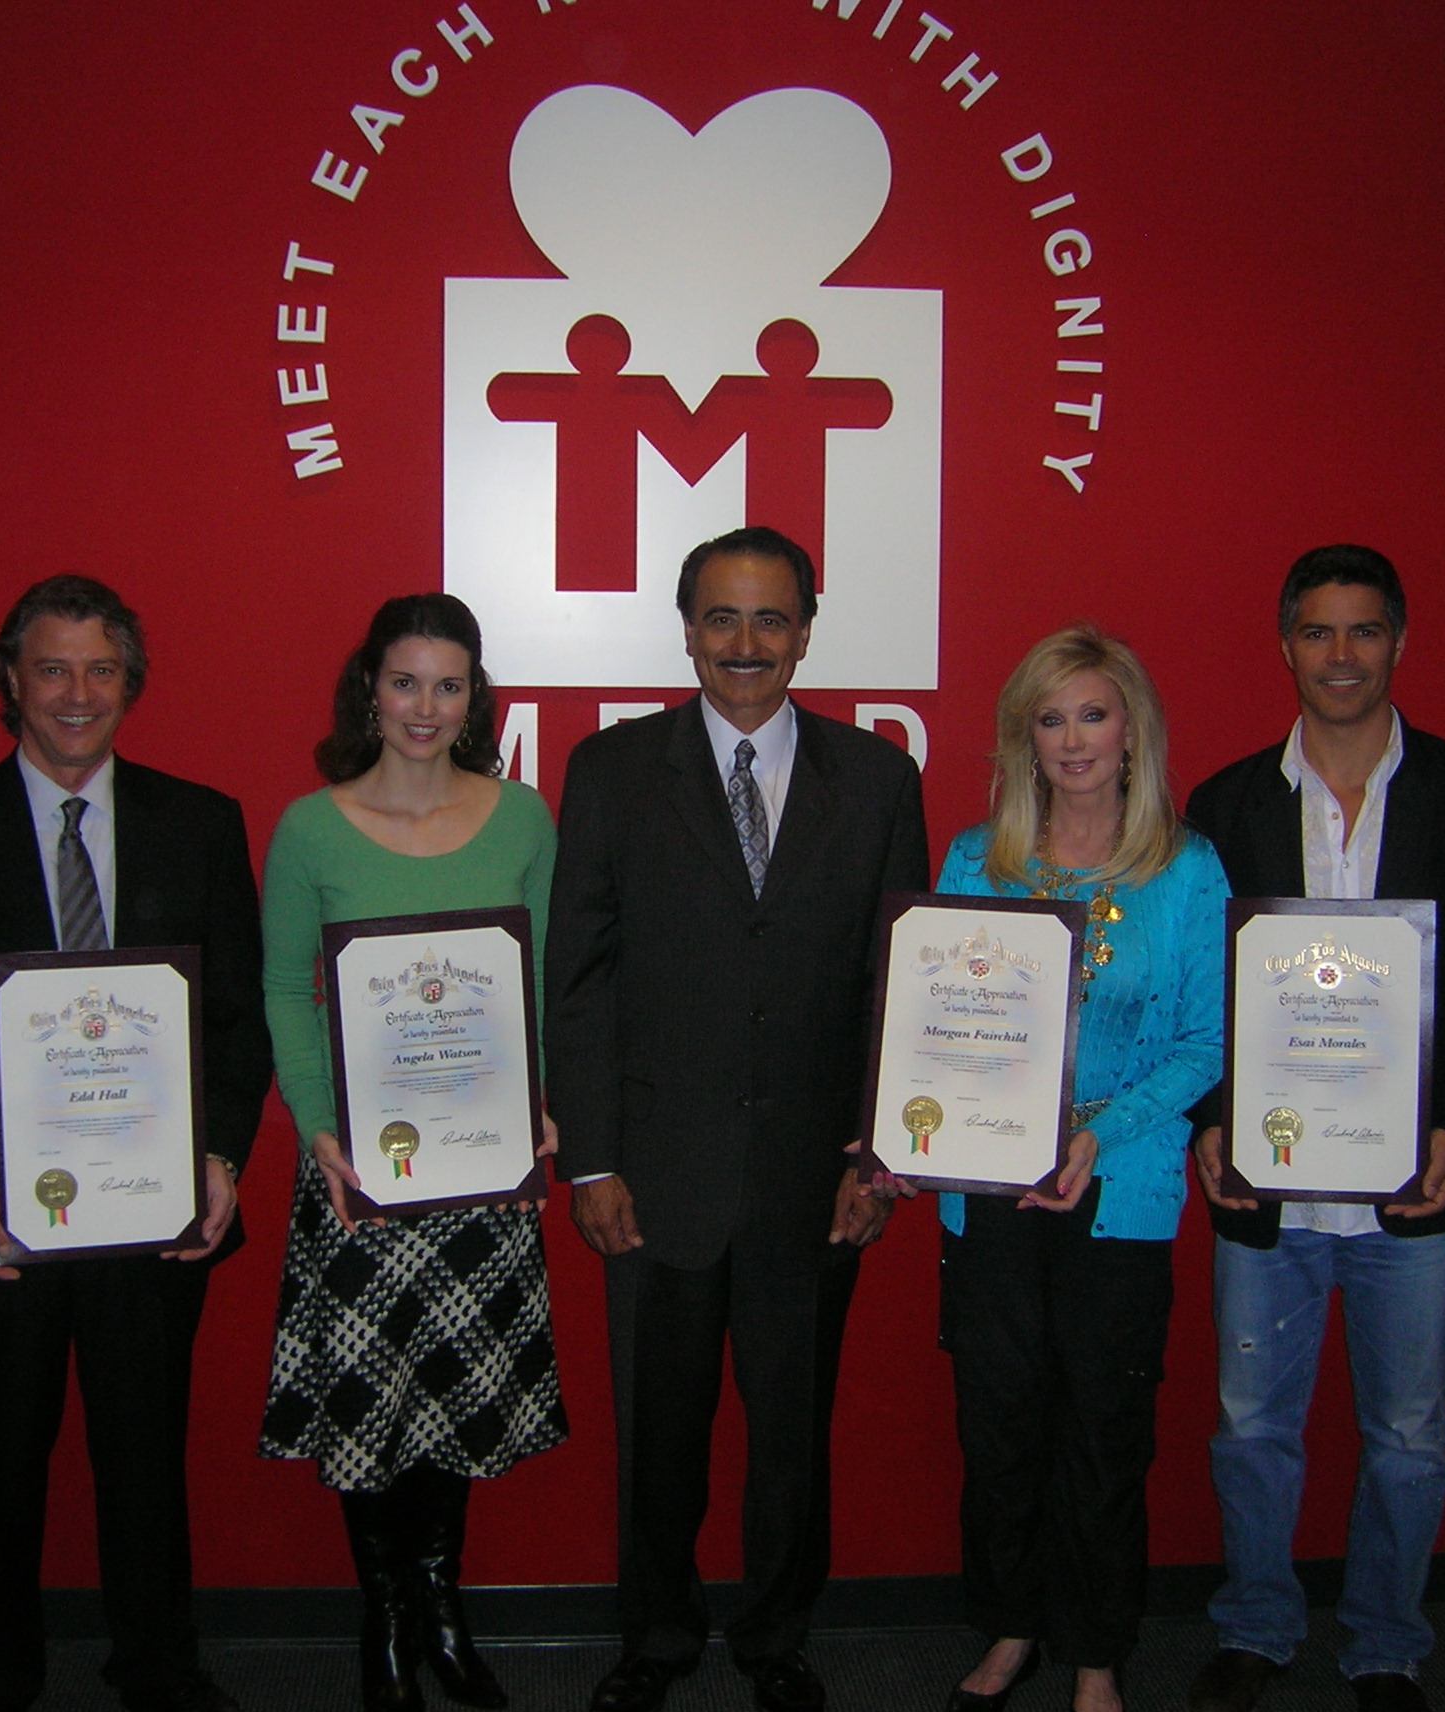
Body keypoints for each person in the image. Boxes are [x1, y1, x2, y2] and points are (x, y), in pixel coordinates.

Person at [0, 576, 270, 1712]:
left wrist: (220, 1158)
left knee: (144, 1464)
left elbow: (239, 1018)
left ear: (130, 683)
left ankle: (159, 1664)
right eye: (51, 668)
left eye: (100, 669)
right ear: (10, 682)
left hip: (150, 1214)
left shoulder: (202, 820)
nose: (76, 694)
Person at [546, 526, 929, 1712]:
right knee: (657, 1432)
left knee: (791, 1433)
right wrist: (592, 1160)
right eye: (722, 618)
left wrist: (874, 1152)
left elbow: (893, 977)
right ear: (686, 630)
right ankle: (654, 1634)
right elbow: (581, 976)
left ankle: (776, 1631)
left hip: (812, 1175)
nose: (746, 644)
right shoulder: (610, 770)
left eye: (770, 619)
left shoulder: (874, 779)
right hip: (655, 1172)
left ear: (806, 630)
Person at [1183, 546, 1445, 1712]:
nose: (1339, 657)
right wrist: (1207, 1118)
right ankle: (1253, 1623)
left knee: (1406, 1433)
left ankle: (1386, 1640)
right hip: (1267, 1190)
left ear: (1399, 641)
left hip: (1413, 1188)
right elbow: (1199, 985)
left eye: (1362, 633)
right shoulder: (1226, 802)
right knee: (1250, 1425)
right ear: (1282, 644)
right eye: (1316, 633)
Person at [257, 592, 567, 1712]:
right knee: (368, 1397)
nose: (425, 706)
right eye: (404, 682)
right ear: (369, 689)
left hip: (484, 1164)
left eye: (448, 684)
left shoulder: (526, 817)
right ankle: (383, 1612)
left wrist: (542, 1103)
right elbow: (286, 986)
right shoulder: (309, 826)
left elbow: (539, 985)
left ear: (472, 694)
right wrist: (317, 1130)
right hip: (361, 1169)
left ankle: (441, 1601)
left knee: (451, 1393)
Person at [916, 627, 1228, 1712]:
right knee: (997, 1424)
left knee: (1103, 1430)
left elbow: (1204, 1041)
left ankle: (1096, 1652)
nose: (1071, 738)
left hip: (1122, 1190)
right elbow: (938, 1024)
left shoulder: (1186, 866)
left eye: (1090, 713)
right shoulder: (974, 860)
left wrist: (1097, 1131)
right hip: (989, 1194)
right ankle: (1009, 1626)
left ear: (1129, 726)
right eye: (1047, 719)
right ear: (1022, 741)